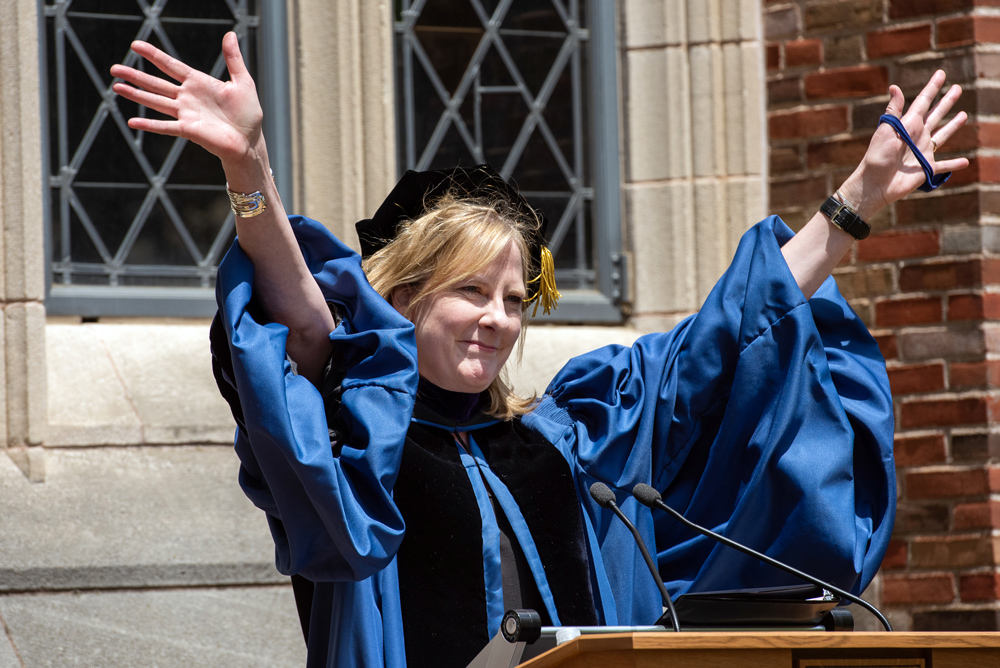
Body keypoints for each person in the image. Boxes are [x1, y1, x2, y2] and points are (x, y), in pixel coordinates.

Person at [111, 31, 967, 668]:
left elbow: (725, 339)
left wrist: (855, 200)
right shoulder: (354, 446)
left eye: (515, 300)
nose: (497, 319)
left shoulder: (567, 441)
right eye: (470, 292)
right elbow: (302, 318)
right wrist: (250, 170)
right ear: (401, 297)